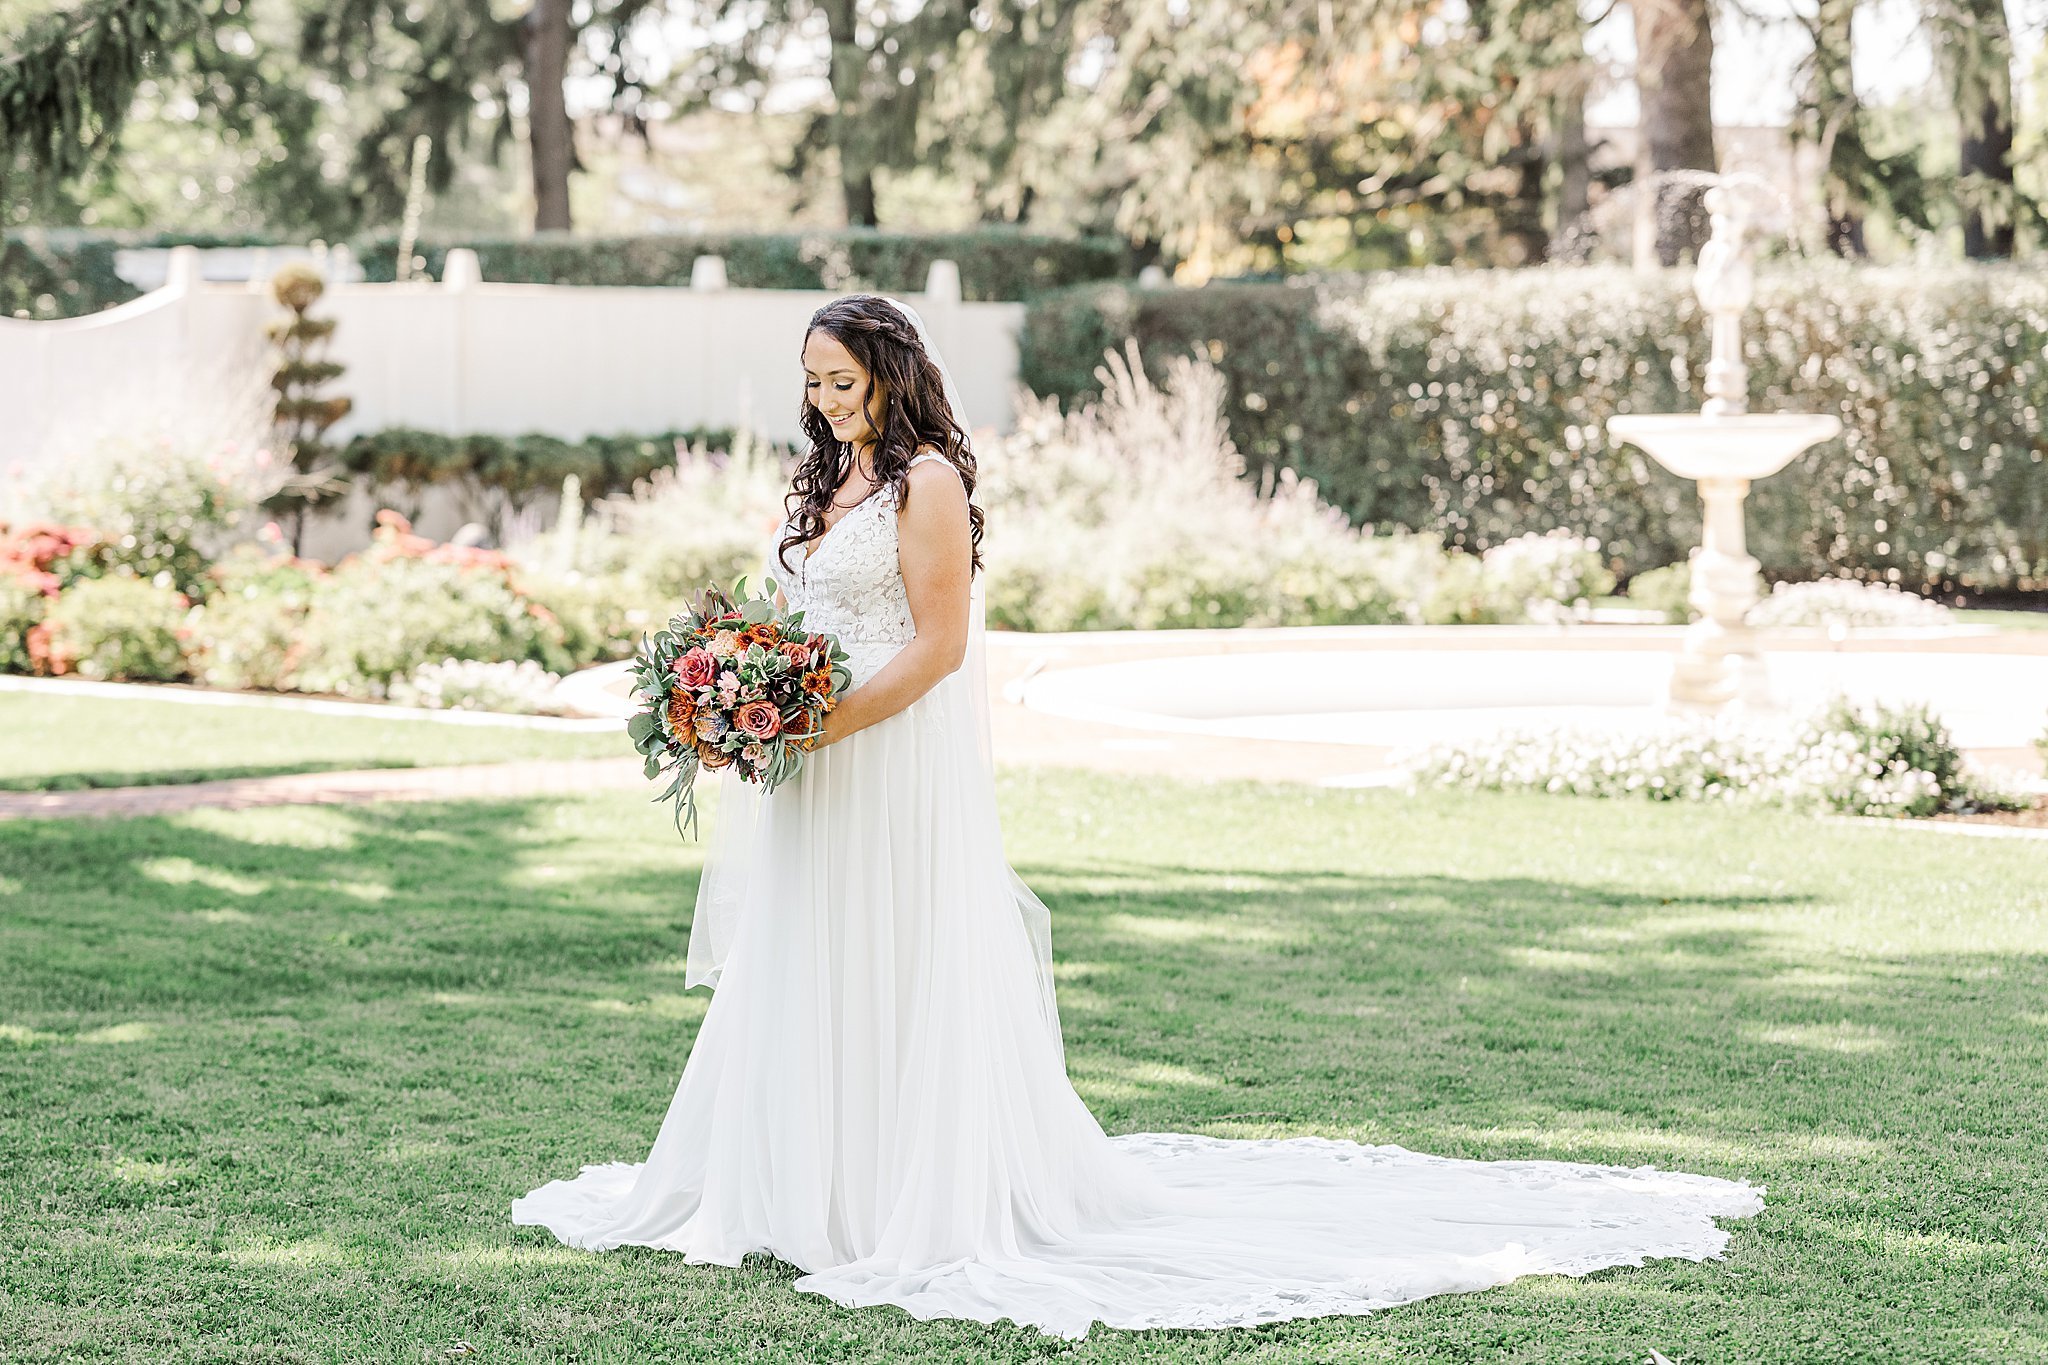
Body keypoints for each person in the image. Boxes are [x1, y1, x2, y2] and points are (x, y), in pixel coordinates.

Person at [511, 294, 1763, 1339]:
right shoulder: (828, 476)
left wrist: (807, 726)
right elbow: (805, 622)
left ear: (890, 376)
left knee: (892, 956)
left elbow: (940, 648)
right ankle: (788, 1186)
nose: (825, 402)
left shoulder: (929, 481)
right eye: (812, 384)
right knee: (807, 957)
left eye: (841, 382)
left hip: (883, 761)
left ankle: (896, 1193)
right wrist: (745, 696)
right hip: (815, 764)